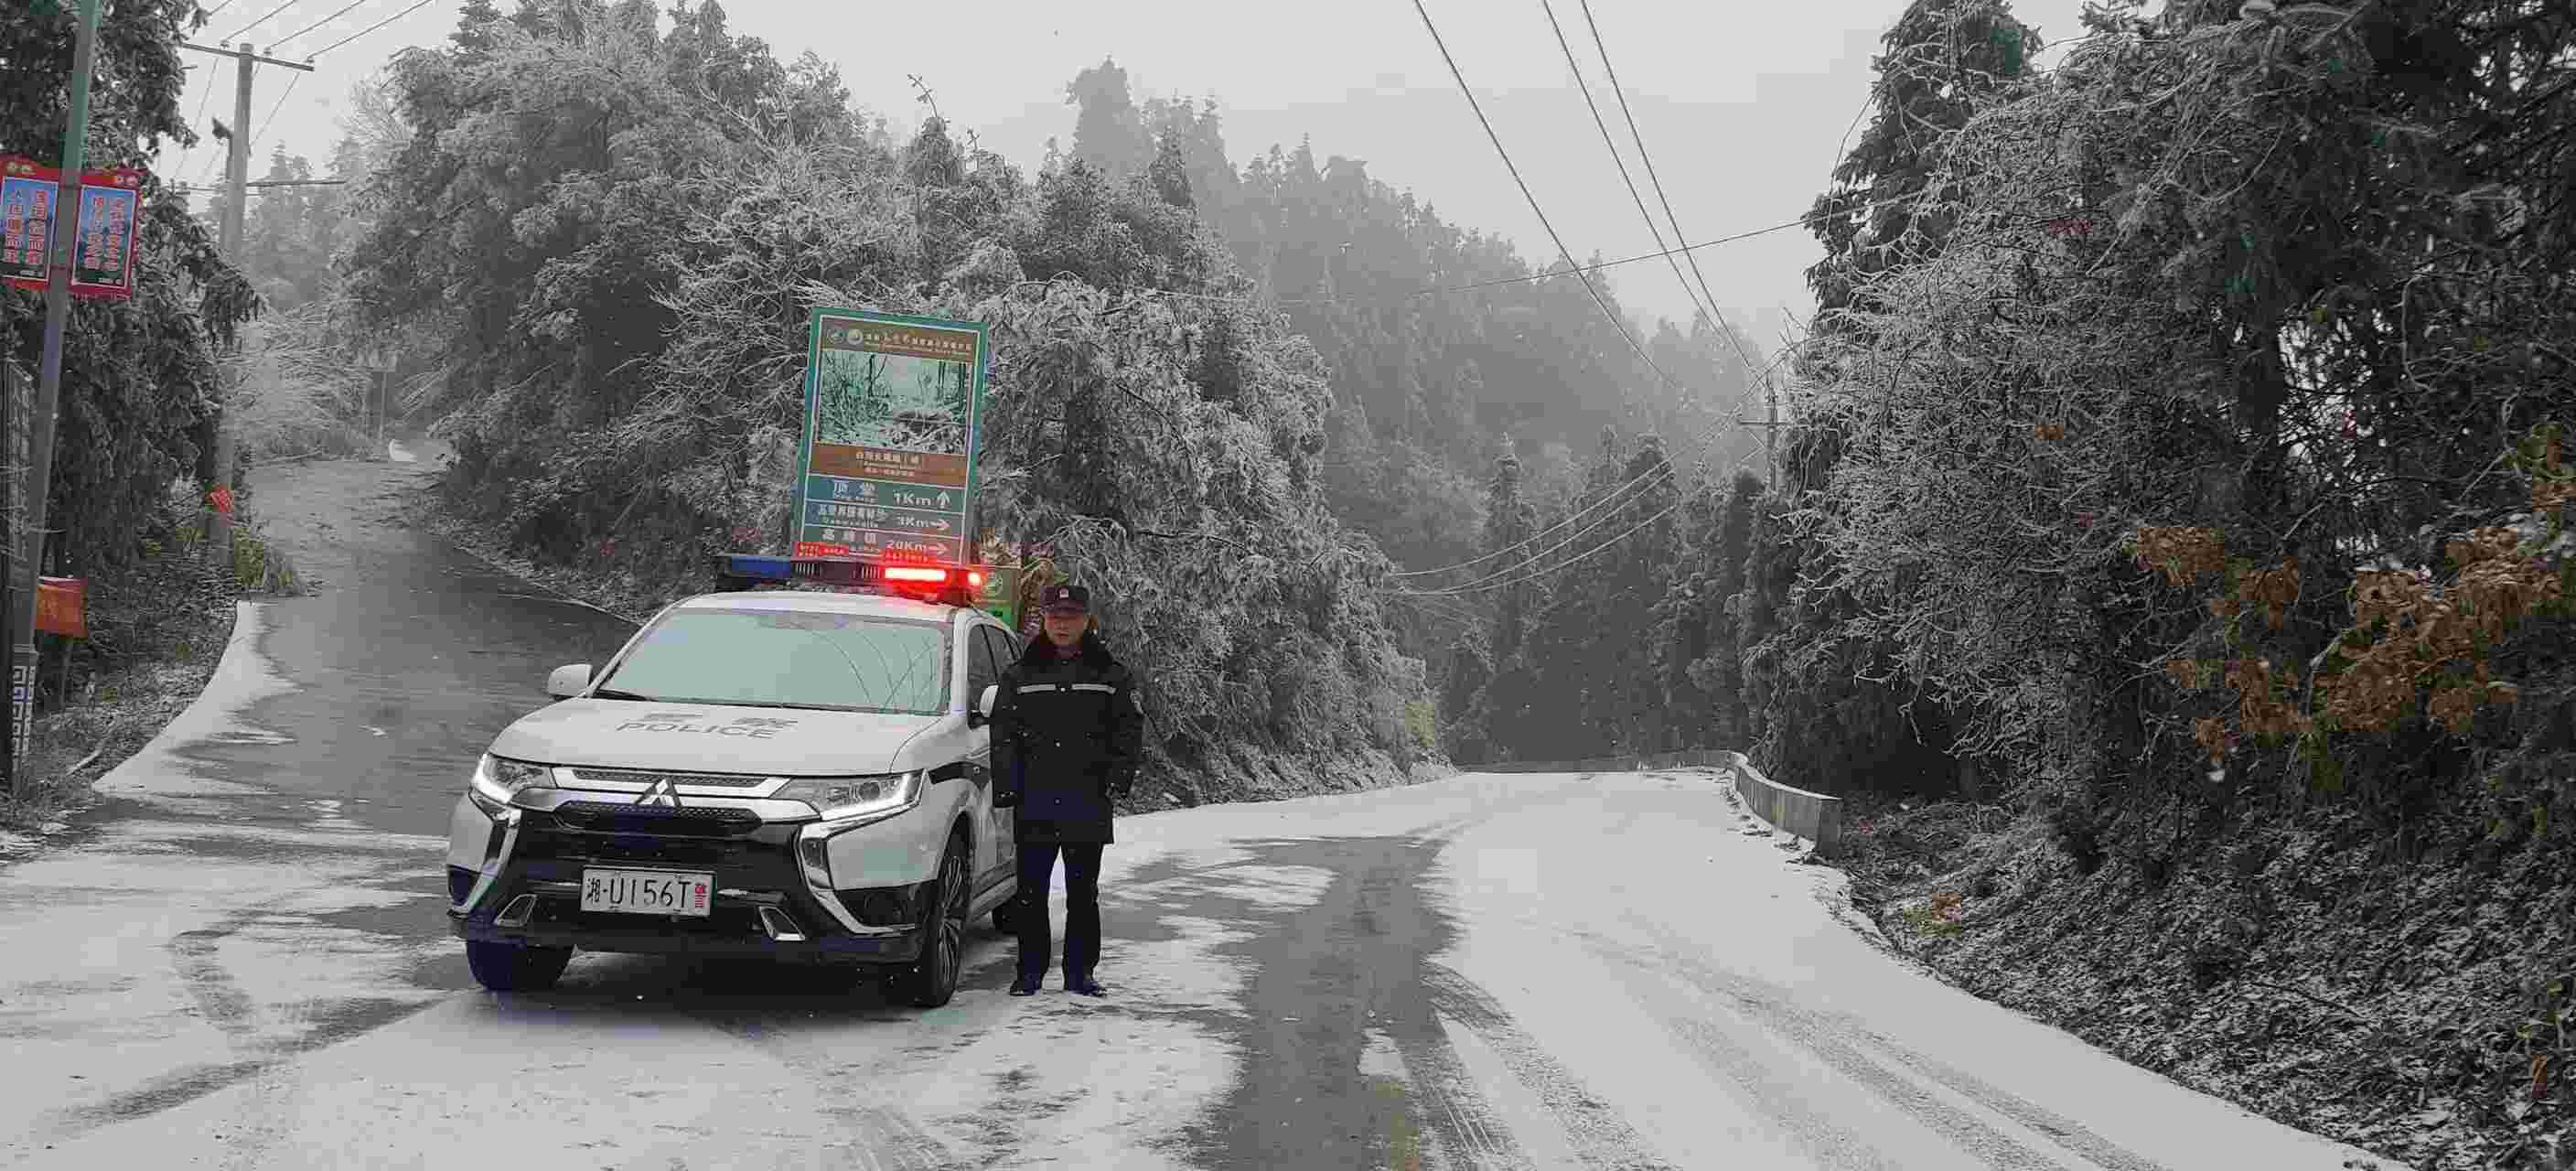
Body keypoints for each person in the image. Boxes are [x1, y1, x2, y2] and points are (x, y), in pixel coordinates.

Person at [988, 582, 1143, 997]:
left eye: (1071, 617)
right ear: (1044, 620)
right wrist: (1007, 786)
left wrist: (1117, 779)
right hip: (1034, 799)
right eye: (1055, 617)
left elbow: (1128, 731)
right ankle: (1030, 972)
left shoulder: (1111, 675)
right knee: (1031, 892)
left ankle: (1080, 973)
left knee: (1083, 891)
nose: (1061, 624)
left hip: (1087, 799)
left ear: (1087, 621)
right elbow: (1002, 735)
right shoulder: (1020, 674)